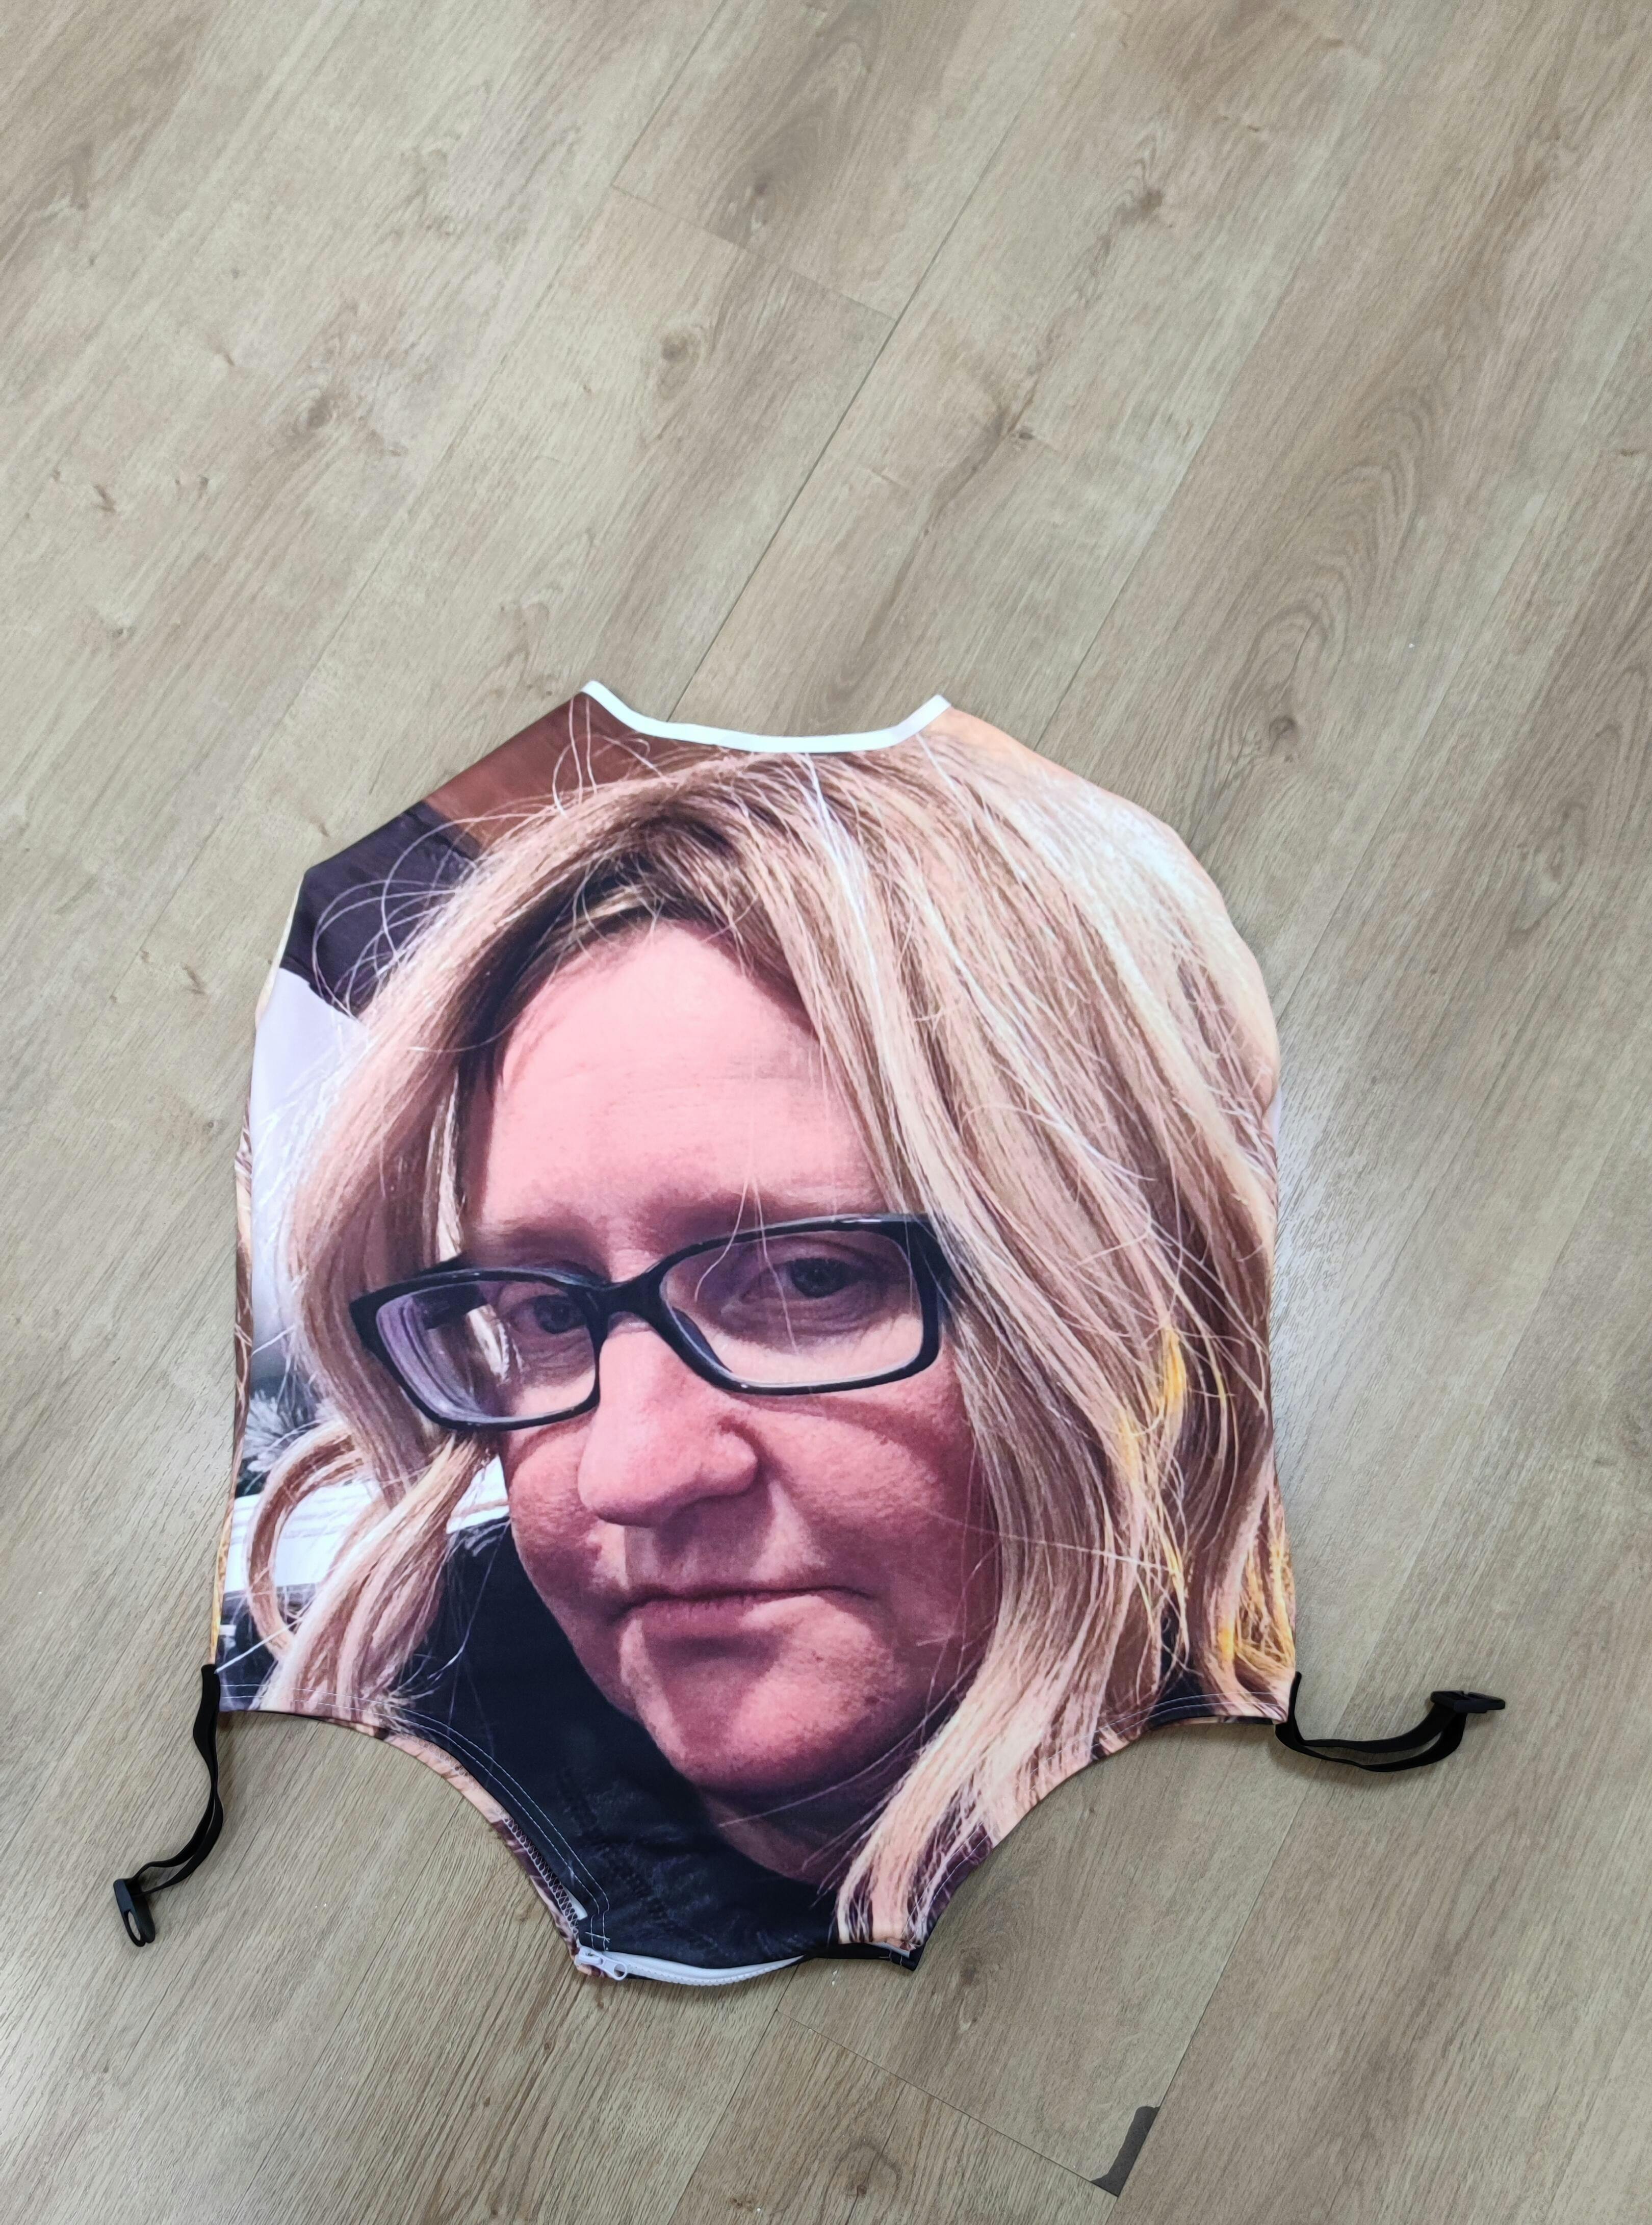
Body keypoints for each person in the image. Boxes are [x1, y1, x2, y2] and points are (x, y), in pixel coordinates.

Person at [243, 729, 1290, 1953]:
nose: (629, 1472)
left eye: (807, 1279)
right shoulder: (344, 1852)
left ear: (1133, 1296)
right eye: (546, 1312)